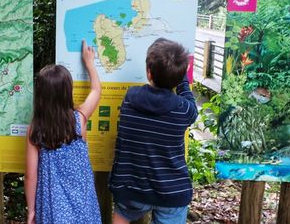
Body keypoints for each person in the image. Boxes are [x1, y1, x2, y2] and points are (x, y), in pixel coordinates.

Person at [109, 37, 198, 224]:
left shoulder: (130, 97)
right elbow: (190, 102)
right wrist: (181, 75)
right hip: (171, 191)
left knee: (122, 213)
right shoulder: (183, 109)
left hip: (132, 187)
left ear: (149, 73)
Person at [25, 40, 102, 224]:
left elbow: (30, 176)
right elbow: (96, 90)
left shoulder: (35, 130)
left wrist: (31, 211)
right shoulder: (79, 119)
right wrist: (90, 63)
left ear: (41, 95)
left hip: (53, 206)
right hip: (83, 203)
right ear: (68, 91)